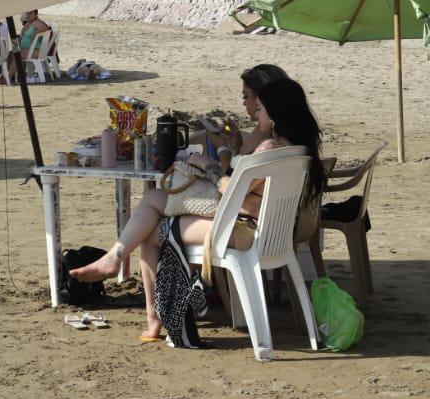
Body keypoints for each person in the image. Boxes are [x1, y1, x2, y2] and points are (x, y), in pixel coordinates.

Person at [71, 76, 325, 342]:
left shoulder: (269, 148)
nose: (256, 114)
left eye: (260, 108)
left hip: (242, 232)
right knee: (154, 211)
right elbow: (249, 191)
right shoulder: (297, 148)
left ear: (275, 113)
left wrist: (207, 165)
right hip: (267, 231)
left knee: (150, 229)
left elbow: (231, 188)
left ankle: (146, 302)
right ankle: (132, 281)